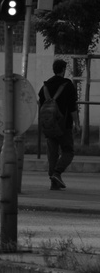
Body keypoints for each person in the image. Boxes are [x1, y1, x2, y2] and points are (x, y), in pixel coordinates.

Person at [38, 58, 79, 190]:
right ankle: (57, 173)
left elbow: (41, 104)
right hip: (64, 125)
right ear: (63, 70)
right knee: (68, 151)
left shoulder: (45, 86)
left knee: (52, 153)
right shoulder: (68, 85)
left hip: (49, 125)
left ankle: (53, 183)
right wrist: (77, 124)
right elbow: (72, 107)